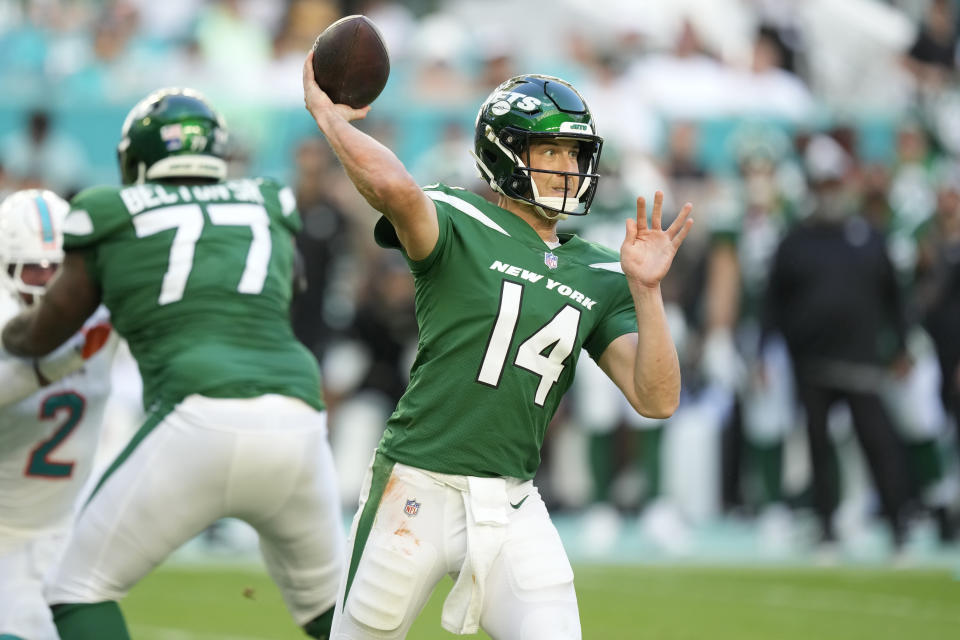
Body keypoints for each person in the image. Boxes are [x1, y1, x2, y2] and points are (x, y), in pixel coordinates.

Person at [302, 54, 692, 638]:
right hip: (418, 485)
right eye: (550, 151)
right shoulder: (459, 220)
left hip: (513, 502)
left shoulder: (600, 269)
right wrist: (331, 120)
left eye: (574, 152)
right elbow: (390, 185)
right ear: (505, 155)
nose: (568, 168)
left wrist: (647, 293)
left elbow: (656, 398)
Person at [1, 88, 344, 640]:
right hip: (299, 415)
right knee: (335, 610)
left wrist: (18, 335)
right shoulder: (268, 200)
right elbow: (293, 282)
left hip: (197, 414)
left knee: (76, 589)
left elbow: (42, 333)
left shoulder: (107, 211)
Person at [765, 134, 912, 555]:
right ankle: (826, 526)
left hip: (863, 361)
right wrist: (763, 351)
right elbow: (774, 300)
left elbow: (894, 297)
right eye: (822, 185)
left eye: (834, 184)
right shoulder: (796, 239)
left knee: (879, 442)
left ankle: (899, 525)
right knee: (818, 447)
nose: (829, 193)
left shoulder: (870, 235)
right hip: (810, 362)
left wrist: (901, 346)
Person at [0, 189, 117, 640]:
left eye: (59, 268)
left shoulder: (100, 306)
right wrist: (54, 367)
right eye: (34, 268)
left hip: (68, 530)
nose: (48, 282)